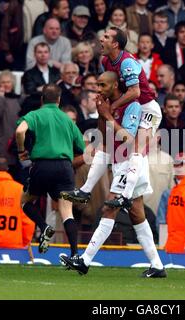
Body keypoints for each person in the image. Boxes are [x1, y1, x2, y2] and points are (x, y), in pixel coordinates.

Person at [60, 71, 166, 278]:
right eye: (97, 85)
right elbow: (105, 137)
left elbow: (127, 138)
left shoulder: (132, 106)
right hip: (120, 162)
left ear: (115, 85)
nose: (98, 89)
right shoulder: (109, 104)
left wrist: (108, 115)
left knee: (109, 208)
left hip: (131, 164)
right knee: (137, 214)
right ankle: (157, 265)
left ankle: (85, 260)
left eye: (102, 85)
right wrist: (102, 113)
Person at [62, 27, 162, 210]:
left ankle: (125, 196)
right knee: (105, 144)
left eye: (106, 37)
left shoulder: (126, 63)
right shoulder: (106, 61)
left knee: (136, 149)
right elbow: (112, 87)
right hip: (128, 106)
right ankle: (85, 190)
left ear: (115, 44)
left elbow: (135, 92)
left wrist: (111, 109)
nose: (101, 38)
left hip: (147, 108)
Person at [15, 84, 85, 255]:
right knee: (67, 211)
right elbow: (82, 147)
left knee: (25, 202)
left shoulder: (35, 115)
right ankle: (75, 254)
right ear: (59, 100)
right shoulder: (67, 119)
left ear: (42, 99)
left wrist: (21, 150)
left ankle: (44, 226)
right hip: (64, 167)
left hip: (42, 166)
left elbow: (19, 131)